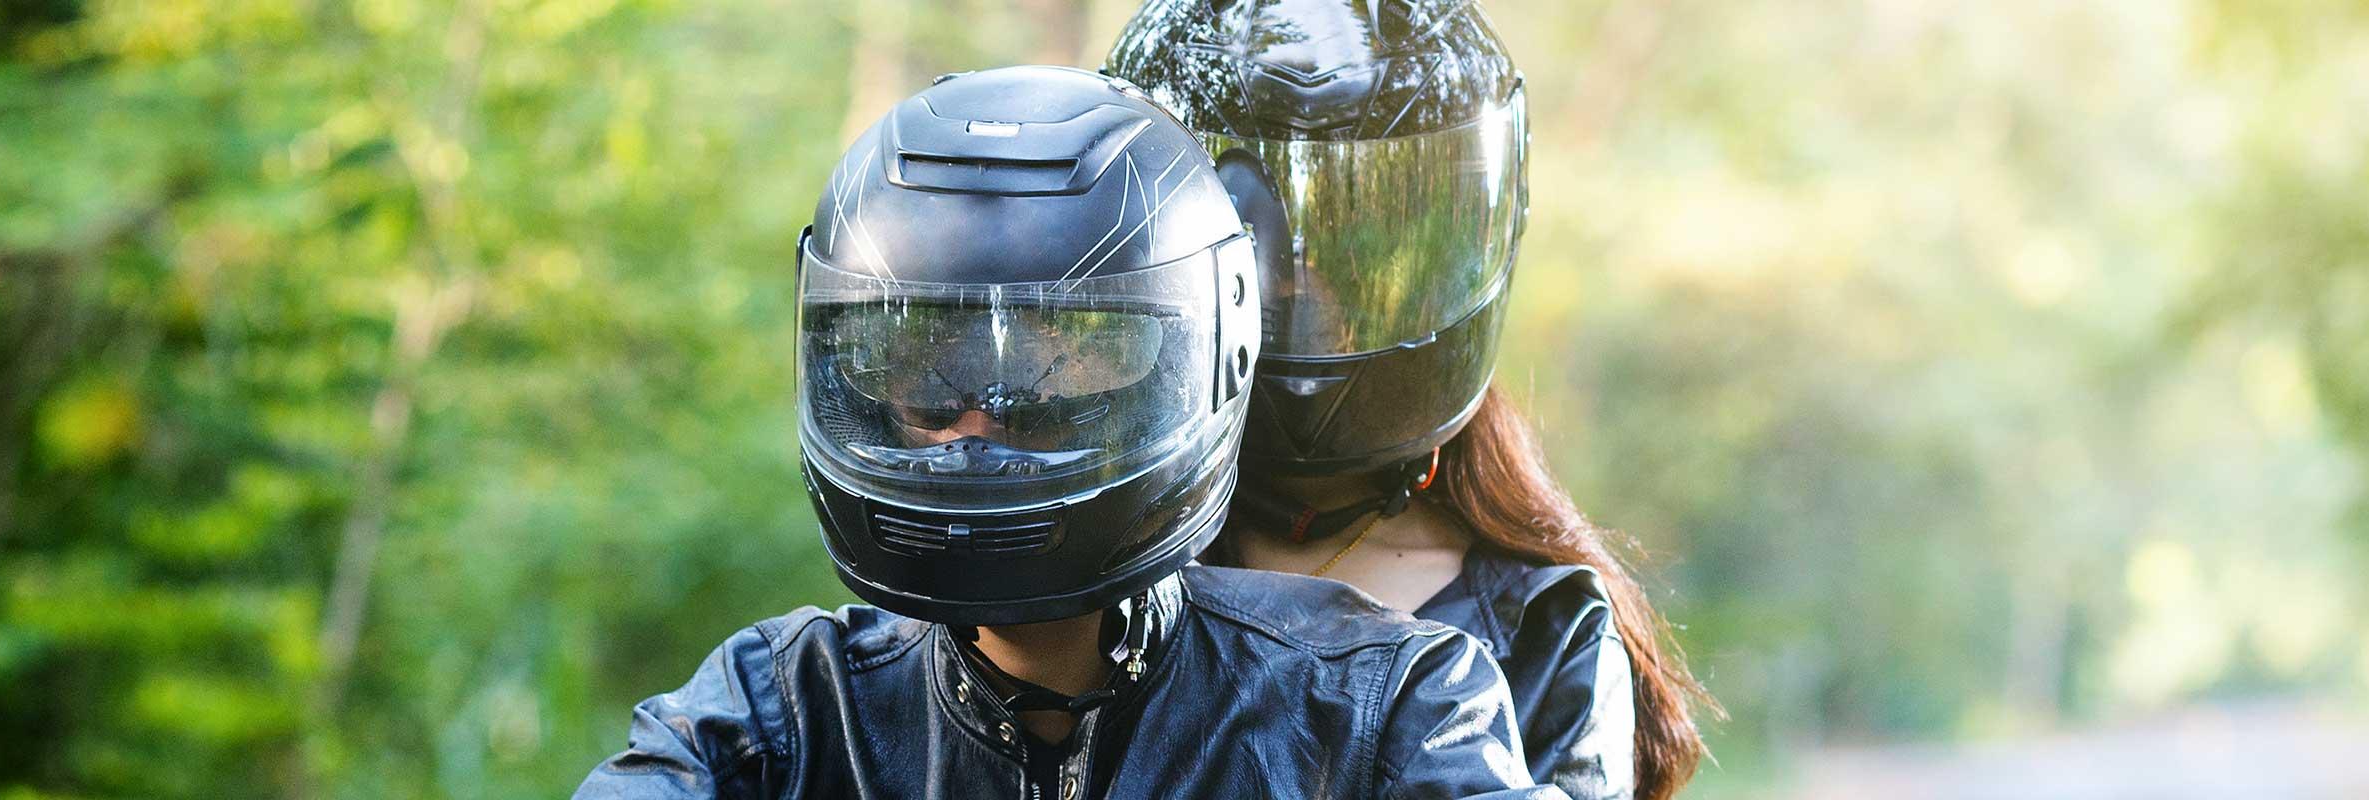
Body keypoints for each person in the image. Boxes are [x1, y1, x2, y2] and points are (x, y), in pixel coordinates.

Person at [575, 65, 1553, 800]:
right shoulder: (785, 708)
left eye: (1047, 393)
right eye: (929, 388)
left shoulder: (1378, 704)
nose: (976, 439)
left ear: (1193, 367)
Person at [1108, 3, 1711, 799]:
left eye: (1327, 264)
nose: (1293, 290)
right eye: (1260, 260)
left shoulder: (1542, 632)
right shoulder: (1109, 583)